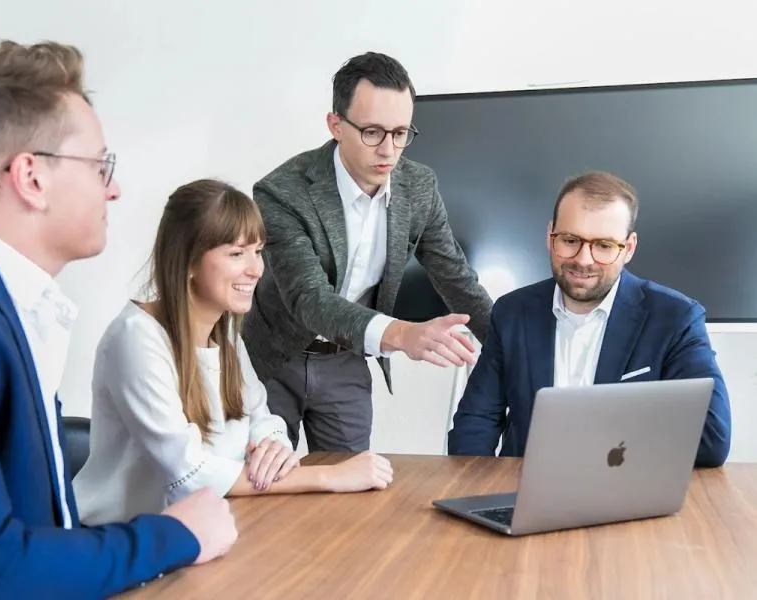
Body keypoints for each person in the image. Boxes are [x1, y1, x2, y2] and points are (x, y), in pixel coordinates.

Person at [0, 41, 237, 600]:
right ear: (31, 177)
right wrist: (174, 535)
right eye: (100, 164)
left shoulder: (2, 309)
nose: (115, 187)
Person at [73, 179, 394, 523]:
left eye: (257, 251)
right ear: (188, 261)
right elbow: (189, 474)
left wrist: (273, 446)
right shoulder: (136, 338)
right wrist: (329, 475)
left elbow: (261, 417)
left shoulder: (224, 334)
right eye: (237, 253)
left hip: (205, 527)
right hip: (124, 539)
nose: (256, 269)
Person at [242, 52, 493, 453]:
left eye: (400, 133)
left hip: (346, 358)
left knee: (354, 489)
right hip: (274, 360)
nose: (389, 150)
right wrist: (402, 334)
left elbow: (456, 278)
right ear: (336, 125)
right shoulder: (281, 192)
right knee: (266, 489)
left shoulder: (419, 187)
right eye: (373, 132)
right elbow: (310, 299)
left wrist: (510, 346)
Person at [447, 171, 732, 468]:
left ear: (629, 248)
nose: (584, 259)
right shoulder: (512, 313)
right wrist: (476, 491)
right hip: (522, 493)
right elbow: (476, 422)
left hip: (626, 493)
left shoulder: (676, 318)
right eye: (571, 240)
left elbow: (711, 440)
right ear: (550, 236)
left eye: (604, 246)